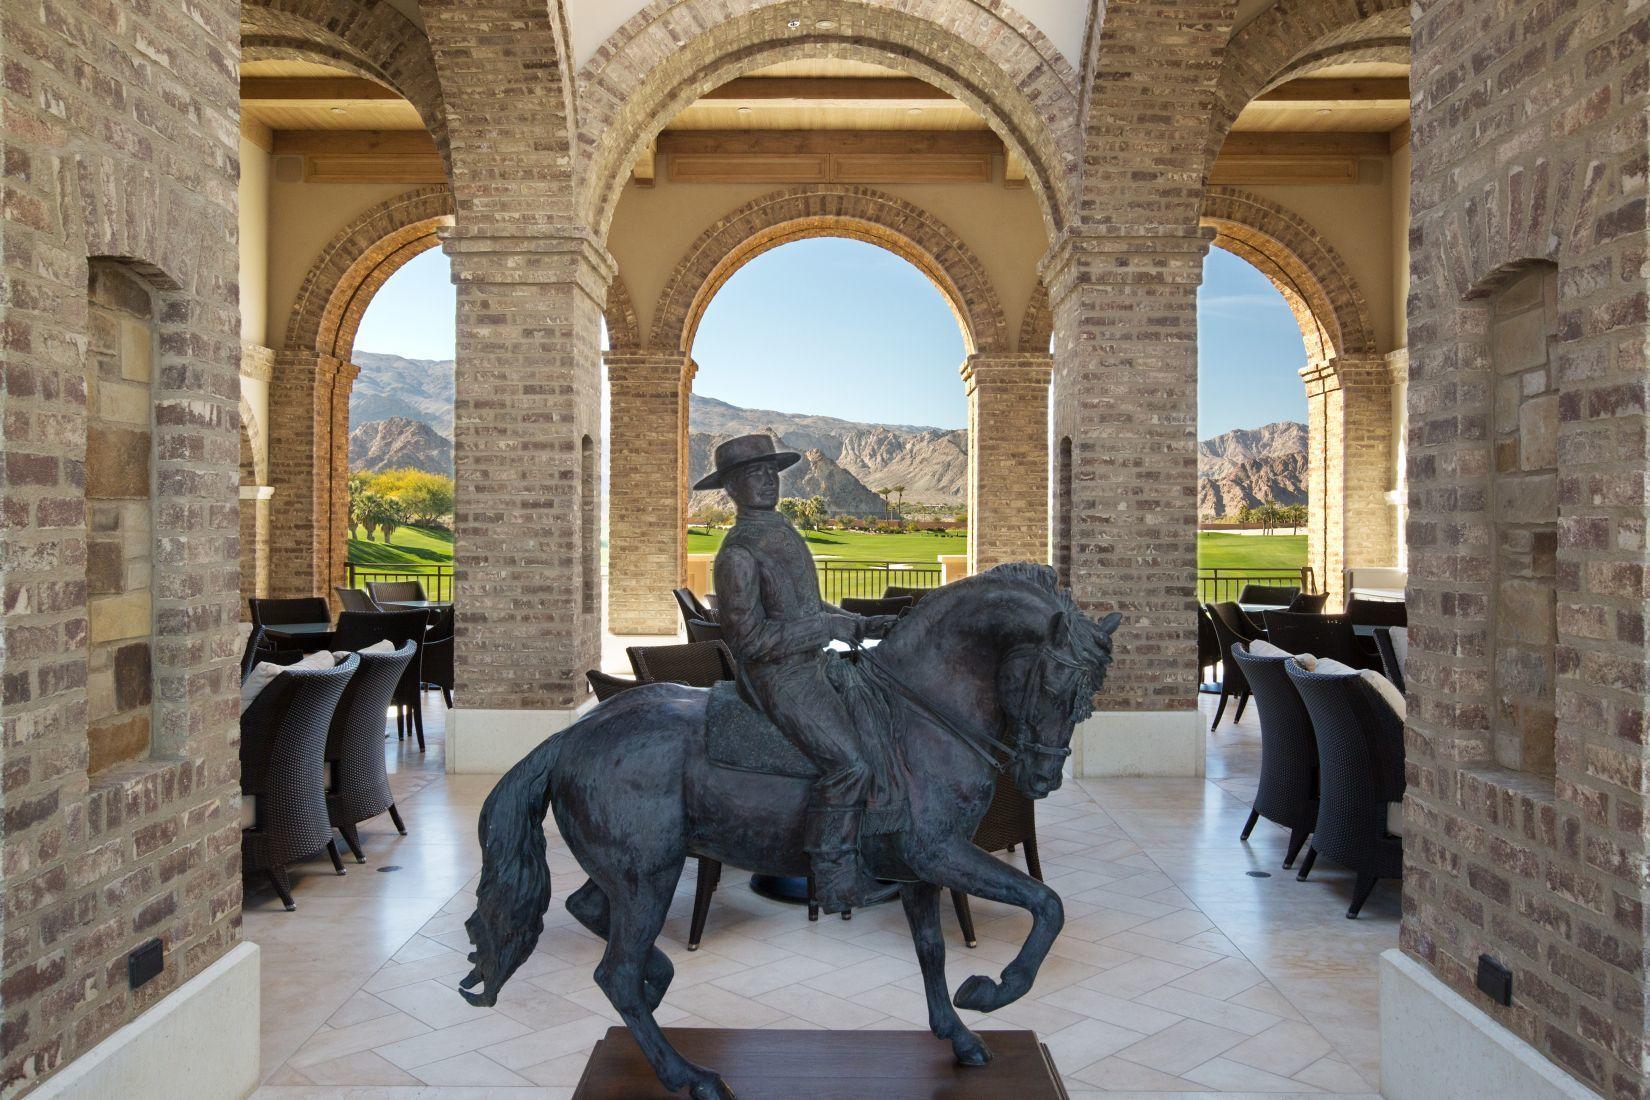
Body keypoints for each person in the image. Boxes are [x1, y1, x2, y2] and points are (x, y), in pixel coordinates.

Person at [696, 434, 900, 913]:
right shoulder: (737, 555)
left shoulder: (780, 531)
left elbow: (806, 606)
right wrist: (825, 628)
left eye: (772, 472)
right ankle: (834, 876)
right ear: (731, 488)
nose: (768, 481)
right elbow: (749, 641)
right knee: (850, 764)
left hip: (811, 664)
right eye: (755, 474)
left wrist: (858, 623)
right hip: (778, 679)